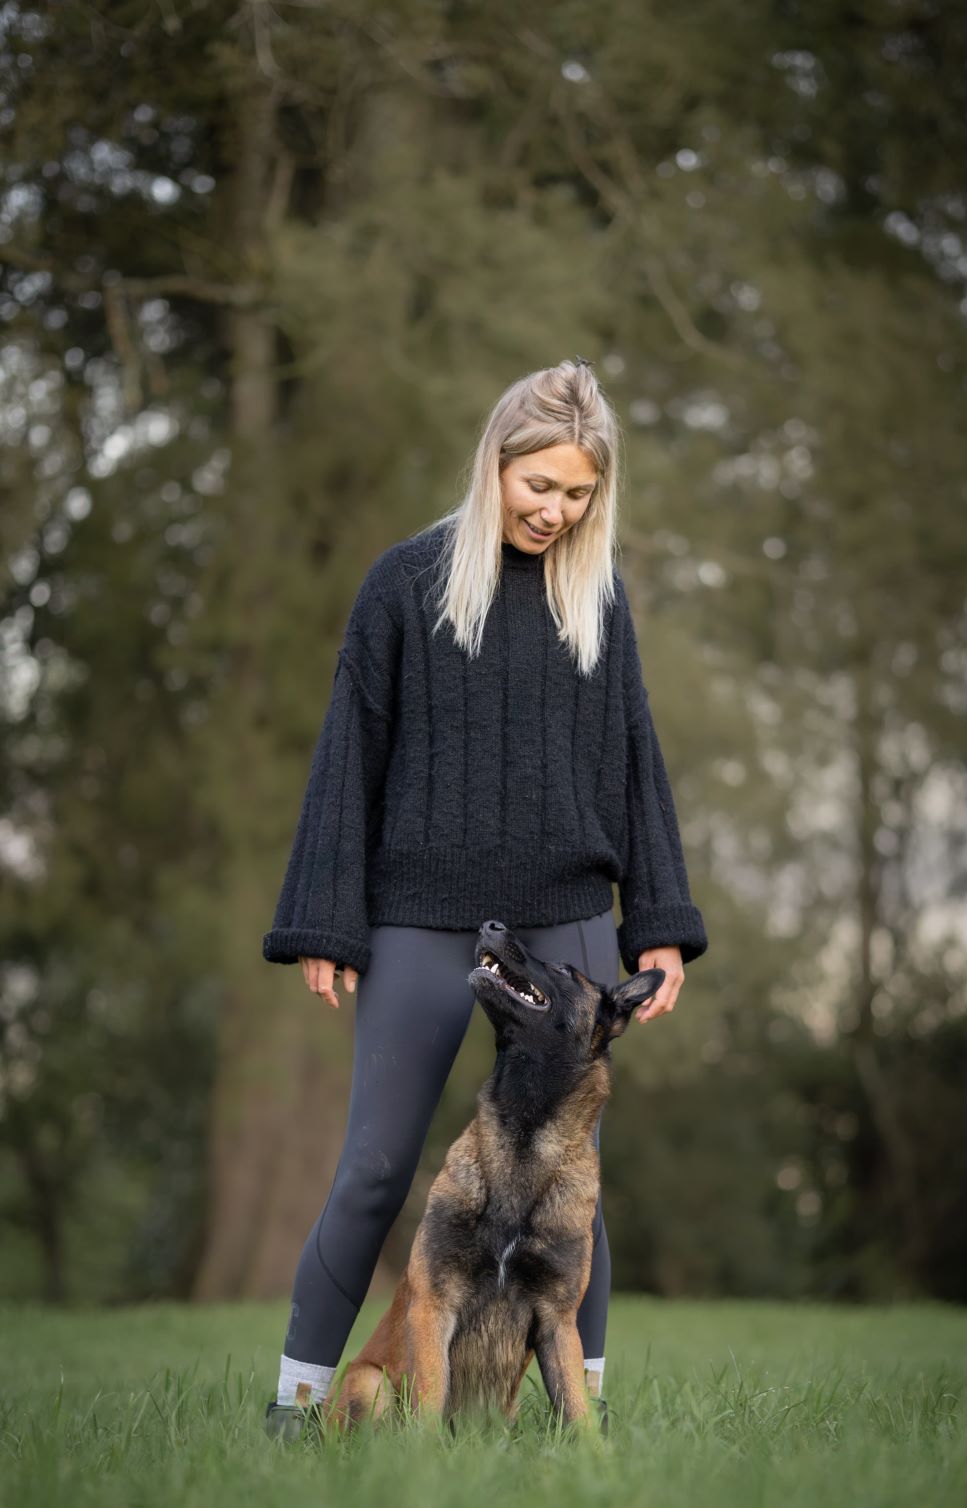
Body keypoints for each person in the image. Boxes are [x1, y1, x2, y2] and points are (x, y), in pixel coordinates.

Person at [261, 357, 708, 1437]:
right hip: (419, 908)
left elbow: (634, 758)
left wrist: (658, 926)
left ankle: (580, 1416)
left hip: (566, 914)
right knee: (373, 1166)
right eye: (539, 484)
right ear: (495, 462)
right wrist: (326, 913)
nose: (555, 510)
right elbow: (348, 753)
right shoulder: (404, 584)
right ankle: (293, 1409)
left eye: (578, 493)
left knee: (573, 1187)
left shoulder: (596, 599)